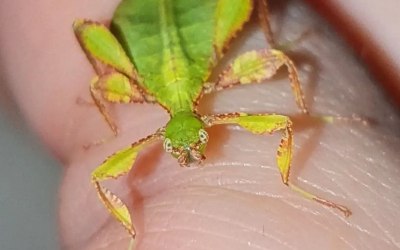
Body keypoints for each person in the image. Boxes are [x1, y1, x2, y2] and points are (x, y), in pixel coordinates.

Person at [0, 0, 399, 249]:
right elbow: (96, 73)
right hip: (144, 21)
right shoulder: (135, 88)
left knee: (281, 59)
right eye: (184, 146)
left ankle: (300, 161)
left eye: (181, 145)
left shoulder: (135, 88)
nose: (189, 151)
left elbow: (283, 64)